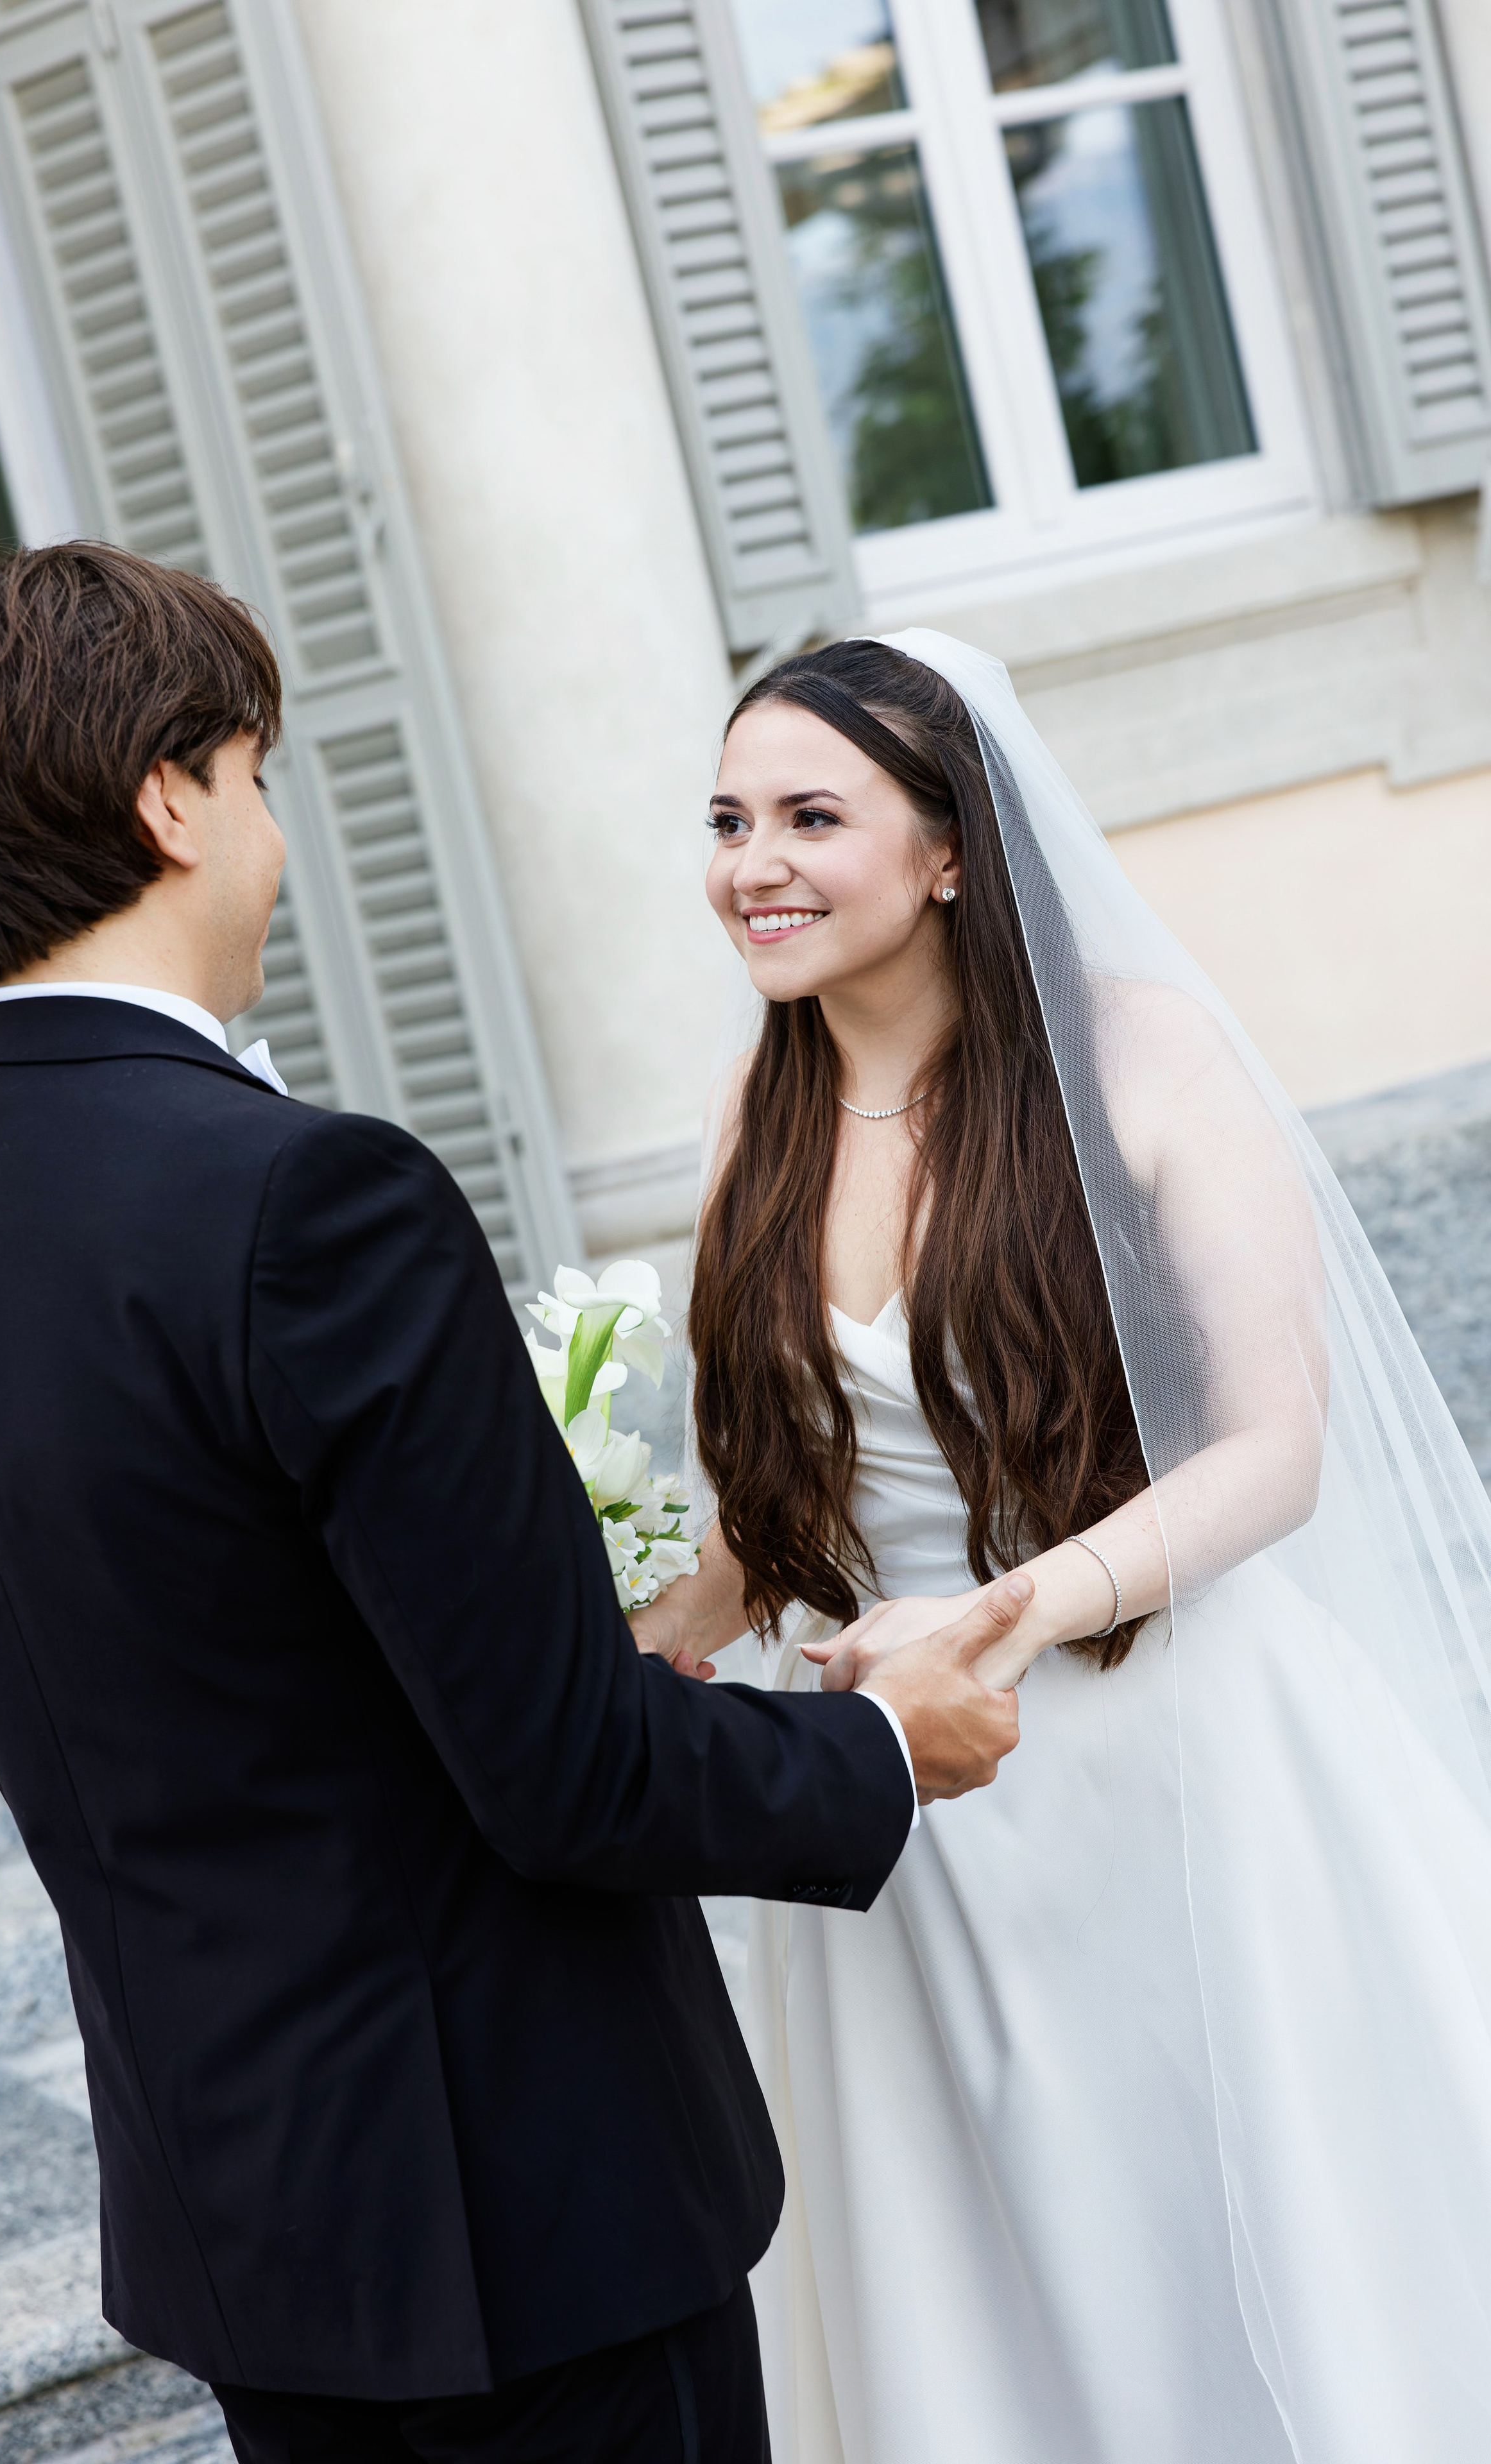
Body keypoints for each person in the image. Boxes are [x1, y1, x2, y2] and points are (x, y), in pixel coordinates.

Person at [0, 551, 1028, 2464]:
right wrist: (887, 1748)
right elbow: (567, 1772)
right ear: (170, 802)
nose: (270, 830)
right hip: (521, 2214)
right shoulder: (309, 1201)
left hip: (245, 2228)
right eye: (252, 774)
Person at [631, 633, 1491, 2463]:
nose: (750, 862)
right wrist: (633, 1627)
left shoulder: (1142, 1056)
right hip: (904, 1821)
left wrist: (1015, 1612)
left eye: (808, 816)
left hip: (1173, 1752)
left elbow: (1275, 1449)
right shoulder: (750, 1118)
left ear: (950, 848)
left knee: (1248, 2257)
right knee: (1004, 2306)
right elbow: (777, 1507)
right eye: (726, 820)